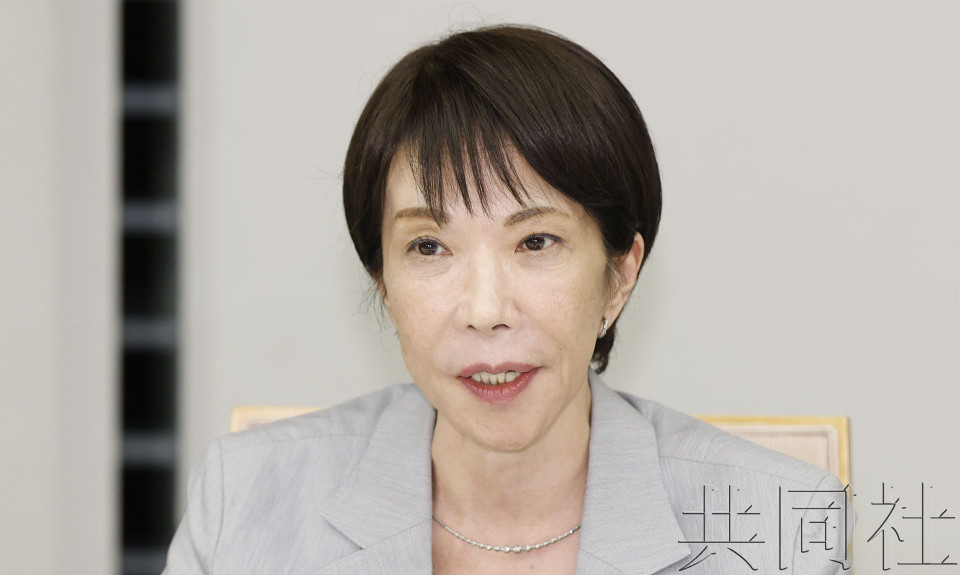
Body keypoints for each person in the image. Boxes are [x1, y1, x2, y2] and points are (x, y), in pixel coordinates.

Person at [163, 25, 852, 574]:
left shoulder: (780, 529)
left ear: (619, 275)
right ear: (382, 283)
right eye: (429, 247)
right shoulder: (243, 500)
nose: (485, 310)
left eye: (535, 241)